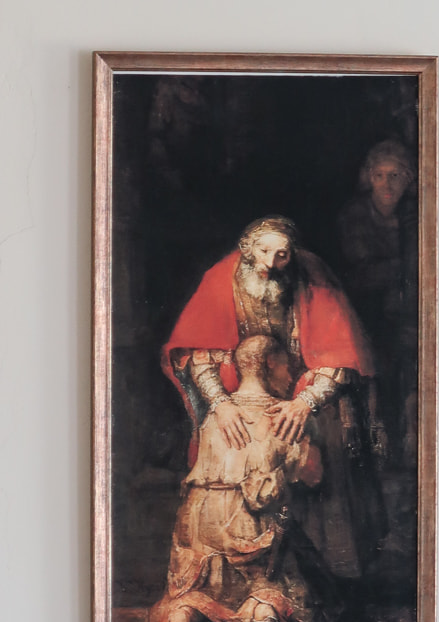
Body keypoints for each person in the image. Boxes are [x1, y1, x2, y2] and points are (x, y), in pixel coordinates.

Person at [160, 215, 386, 583]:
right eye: (264, 252)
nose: (270, 263)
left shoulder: (311, 277)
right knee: (230, 441)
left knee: (322, 432)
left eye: (282, 255)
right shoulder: (221, 279)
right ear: (247, 249)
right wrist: (221, 404)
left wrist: (305, 402)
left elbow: (340, 355)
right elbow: (200, 354)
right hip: (239, 390)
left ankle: (326, 575)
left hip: (302, 390)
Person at [148, 336, 339, 622]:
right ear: (270, 365)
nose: (289, 374)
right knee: (283, 583)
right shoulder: (283, 415)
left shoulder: (216, 414)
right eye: (286, 366)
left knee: (196, 585)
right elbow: (312, 475)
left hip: (199, 521)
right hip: (250, 525)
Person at [337, 140, 418, 465]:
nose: (387, 184)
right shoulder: (355, 216)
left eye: (396, 175)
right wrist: (402, 268)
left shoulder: (416, 215)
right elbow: (362, 271)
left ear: (409, 179)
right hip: (365, 311)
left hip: (405, 310)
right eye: (380, 175)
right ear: (369, 178)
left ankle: (409, 448)